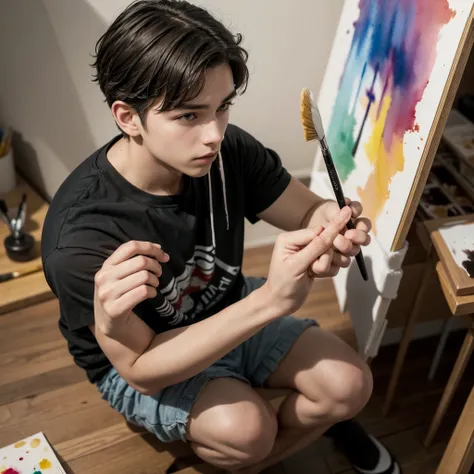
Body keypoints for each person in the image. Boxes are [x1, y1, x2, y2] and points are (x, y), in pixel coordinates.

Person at [41, 1, 400, 473]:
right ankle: (249, 446)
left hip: (226, 303)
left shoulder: (228, 151)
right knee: (247, 430)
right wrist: (272, 299)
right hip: (147, 356)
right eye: (189, 116)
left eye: (223, 106)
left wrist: (330, 227)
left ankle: (248, 453)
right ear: (128, 118)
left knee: (350, 386)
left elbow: (308, 211)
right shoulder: (80, 236)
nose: (214, 134)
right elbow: (141, 369)